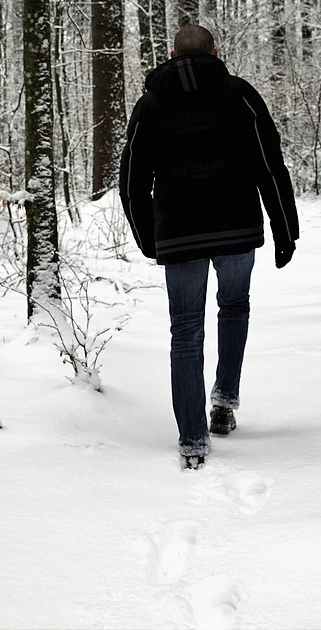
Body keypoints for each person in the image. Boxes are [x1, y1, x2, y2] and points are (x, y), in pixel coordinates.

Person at [120, 24, 299, 470]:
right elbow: (269, 163)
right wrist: (285, 228)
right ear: (215, 52)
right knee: (234, 306)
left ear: (172, 54)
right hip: (236, 228)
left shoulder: (150, 105)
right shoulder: (238, 95)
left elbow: (131, 184)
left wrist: (148, 239)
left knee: (185, 332)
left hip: (179, 236)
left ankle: (193, 441)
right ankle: (223, 400)